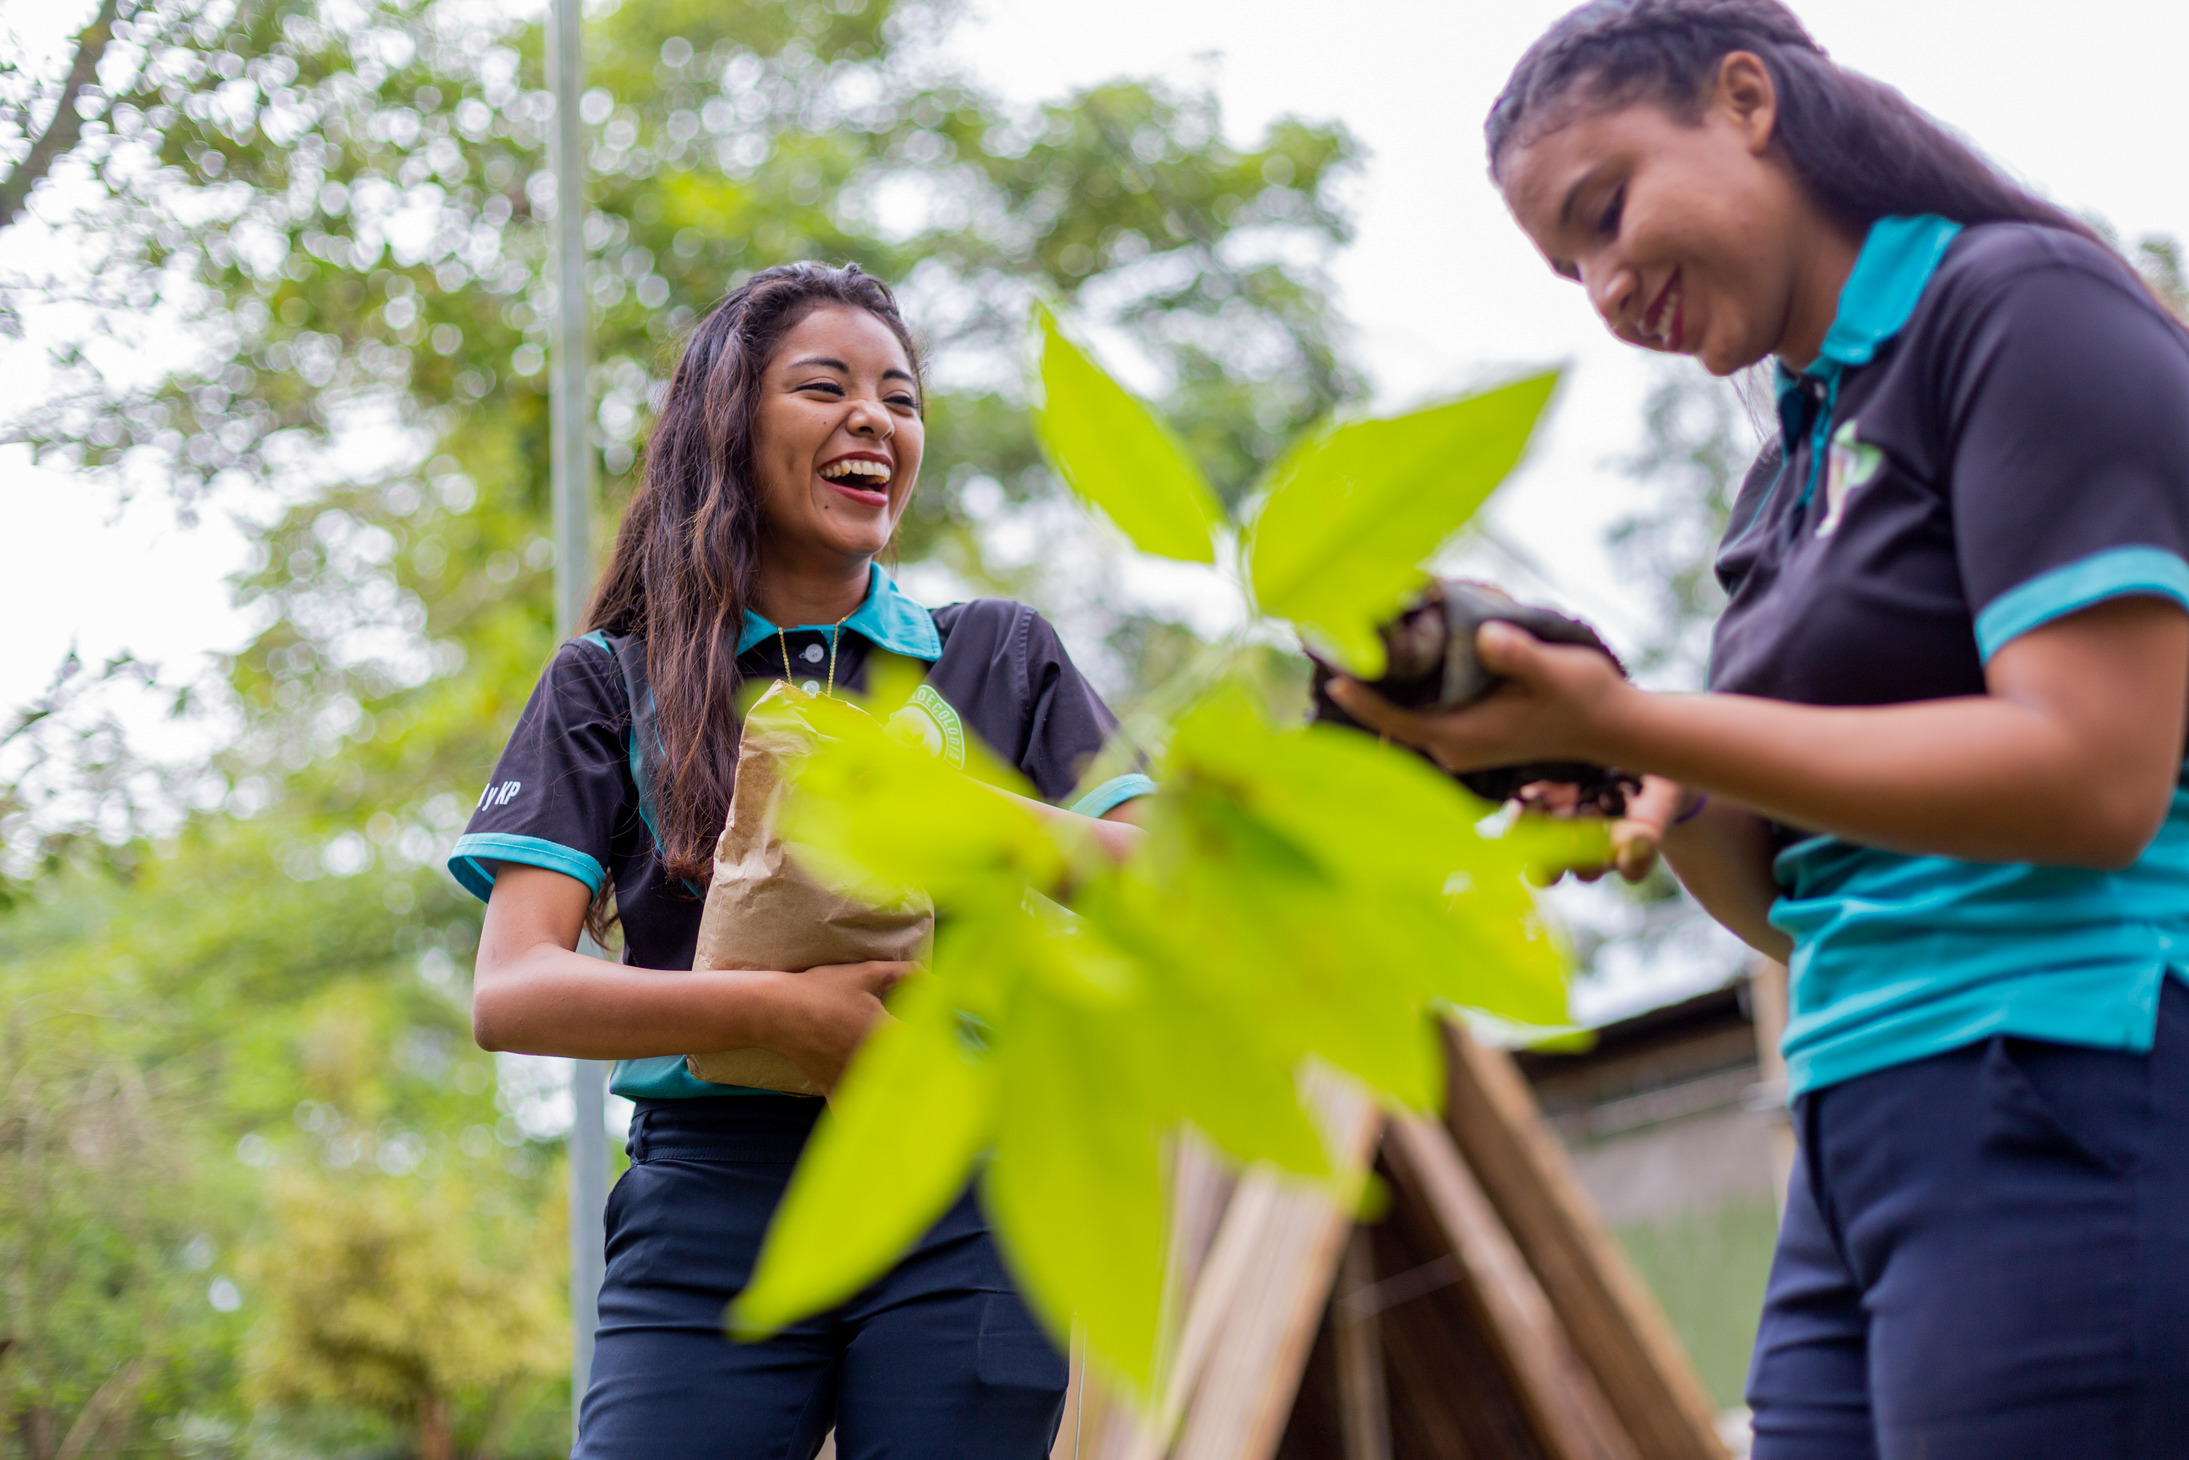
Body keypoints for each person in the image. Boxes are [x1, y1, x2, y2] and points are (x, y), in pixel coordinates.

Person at [1329, 3, 2189, 1457]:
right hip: (1854, 1118)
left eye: (1606, 213)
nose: (1603, 288)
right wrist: (1642, 782)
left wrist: (1652, 718)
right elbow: (1795, 907)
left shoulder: (2015, 308)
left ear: (1745, 102)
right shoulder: (1779, 475)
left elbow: (2095, 778)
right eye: (1567, 266)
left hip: (2060, 1062)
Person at [450, 262, 1150, 1459]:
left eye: (901, 397)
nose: (873, 418)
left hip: (970, 1183)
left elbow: (1169, 883)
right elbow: (511, 988)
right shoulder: (610, 682)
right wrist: (784, 1014)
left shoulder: (999, 655)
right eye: (823, 387)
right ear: (729, 424)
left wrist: (955, 814)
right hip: (706, 1195)